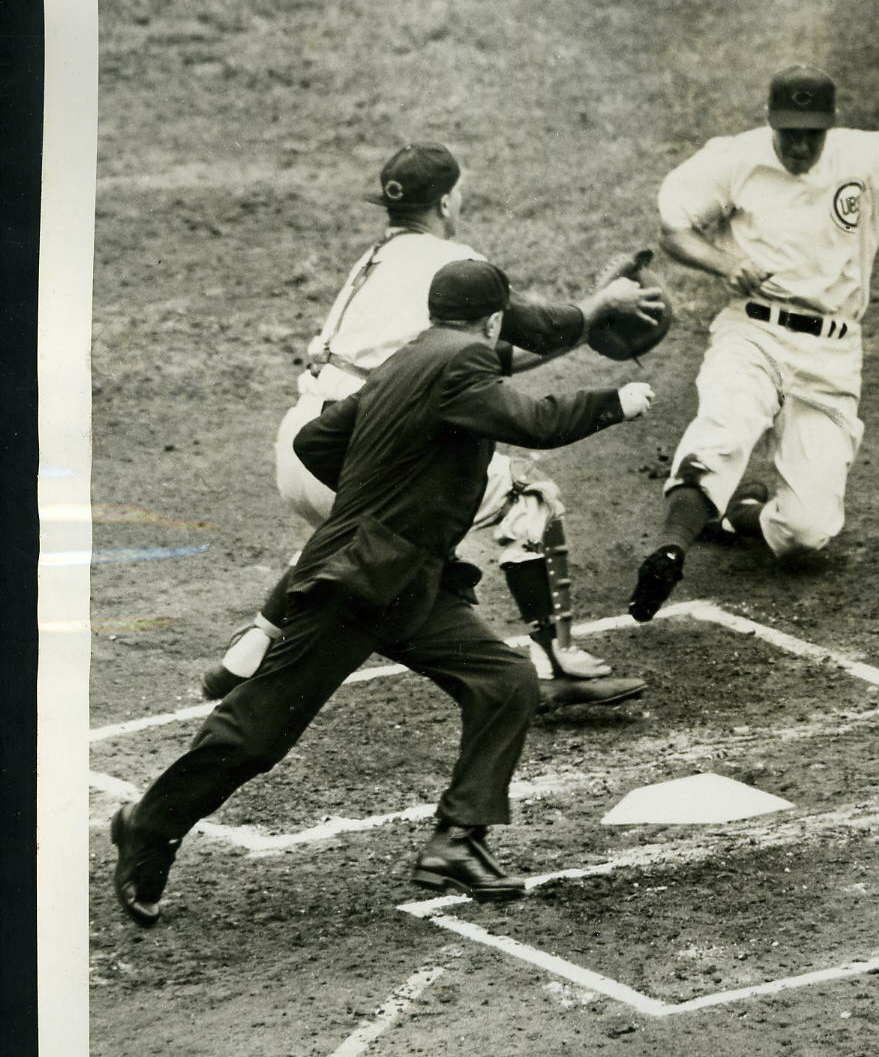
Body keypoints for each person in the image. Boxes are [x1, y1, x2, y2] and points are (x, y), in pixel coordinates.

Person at [111, 259, 656, 928]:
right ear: (493, 318)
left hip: (406, 580)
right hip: (355, 584)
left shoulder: (406, 360)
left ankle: (458, 841)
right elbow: (535, 422)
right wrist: (615, 402)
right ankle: (148, 826)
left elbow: (317, 440)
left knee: (504, 678)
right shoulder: (464, 361)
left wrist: (378, 490)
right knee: (256, 732)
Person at [204, 141, 665, 707]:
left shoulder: (376, 258)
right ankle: (552, 664)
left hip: (306, 444)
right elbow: (536, 331)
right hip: (368, 448)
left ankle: (252, 644)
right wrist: (602, 304)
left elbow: (482, 358)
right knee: (527, 495)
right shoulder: (444, 263)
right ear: (446, 202)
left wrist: (579, 331)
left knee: (362, 529)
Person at [628, 64, 879, 622]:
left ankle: (733, 517)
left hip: (831, 355)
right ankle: (668, 550)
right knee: (723, 427)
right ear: (771, 122)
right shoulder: (735, 160)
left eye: (809, 133)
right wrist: (725, 264)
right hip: (753, 332)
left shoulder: (865, 157)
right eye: (787, 131)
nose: (798, 145)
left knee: (805, 533)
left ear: (828, 126)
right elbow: (674, 230)